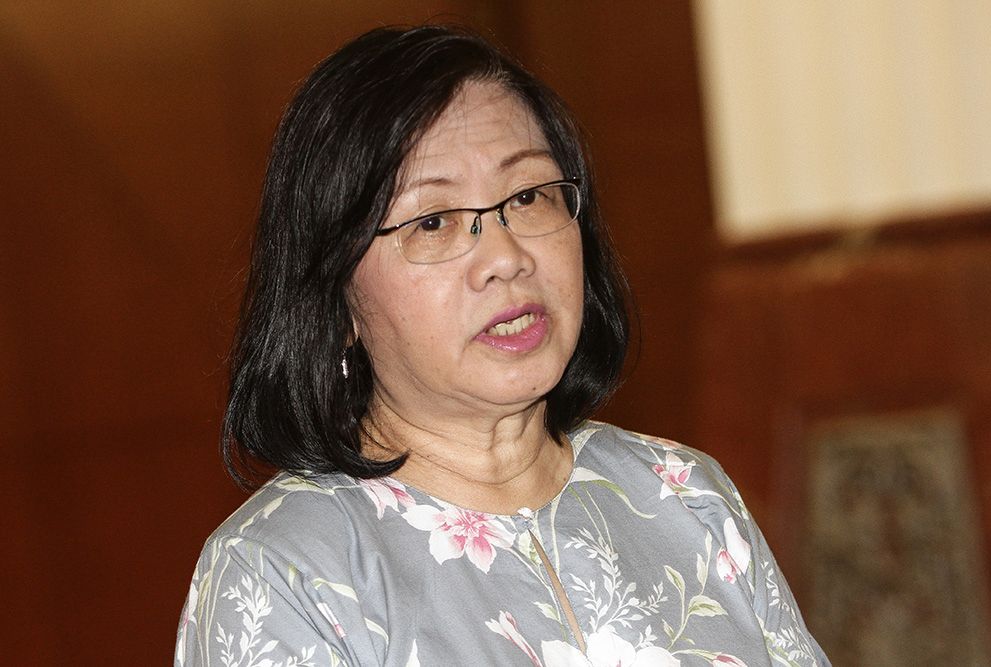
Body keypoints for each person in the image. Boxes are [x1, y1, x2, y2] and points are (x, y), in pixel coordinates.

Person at [175, 25, 829, 667]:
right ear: (335, 295)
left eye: (529, 195)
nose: (506, 256)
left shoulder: (684, 493)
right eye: (434, 221)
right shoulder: (281, 573)